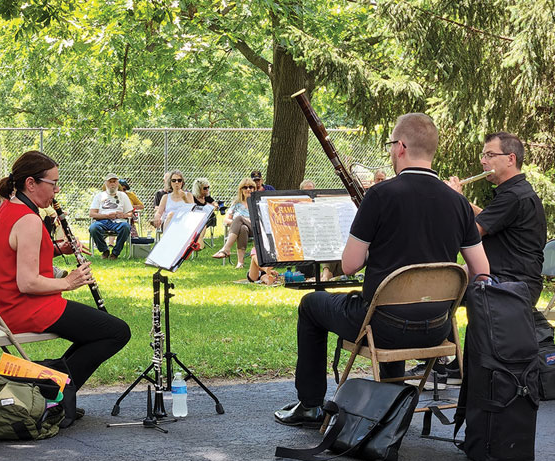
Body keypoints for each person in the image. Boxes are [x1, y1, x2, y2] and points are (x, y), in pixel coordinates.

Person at [274, 112, 490, 427]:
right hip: (438, 327)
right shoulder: (458, 203)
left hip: (382, 327)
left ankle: (310, 405)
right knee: (393, 305)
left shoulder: (380, 195)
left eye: (391, 145)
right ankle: (390, 402)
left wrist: (380, 244)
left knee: (311, 304)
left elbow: (349, 265)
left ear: (400, 147)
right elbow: (481, 271)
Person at [0, 151, 130, 424]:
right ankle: (53, 394)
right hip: (28, 307)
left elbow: (15, 256)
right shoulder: (29, 220)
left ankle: (55, 389)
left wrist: (55, 250)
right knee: (116, 331)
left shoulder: (6, 210)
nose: (57, 189)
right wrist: (68, 282)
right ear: (31, 183)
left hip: (8, 305)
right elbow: (27, 282)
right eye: (52, 183)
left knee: (97, 330)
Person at [448, 131, 550, 345]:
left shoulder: (513, 196)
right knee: (449, 282)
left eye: (490, 155)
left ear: (510, 159)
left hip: (509, 283)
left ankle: (444, 364)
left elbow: (471, 234)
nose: (483, 161)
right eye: (483, 155)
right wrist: (463, 201)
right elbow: (488, 217)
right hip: (513, 279)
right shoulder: (516, 192)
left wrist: (455, 200)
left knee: (440, 291)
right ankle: (455, 367)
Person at [212, 177, 256, 268]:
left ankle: (226, 248)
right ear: (241, 190)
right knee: (242, 228)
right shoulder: (236, 203)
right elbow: (226, 220)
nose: (248, 189)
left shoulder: (257, 202)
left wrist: (240, 220)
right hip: (242, 229)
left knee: (239, 218)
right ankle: (240, 263)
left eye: (251, 187)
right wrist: (237, 223)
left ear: (254, 189)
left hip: (254, 228)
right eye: (245, 187)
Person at [89, 173, 134, 259]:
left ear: (118, 184)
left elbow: (130, 214)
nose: (112, 184)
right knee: (93, 228)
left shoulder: (123, 196)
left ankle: (115, 253)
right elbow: (92, 214)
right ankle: (104, 250)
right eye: (110, 182)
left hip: (119, 221)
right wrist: (106, 216)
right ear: (106, 183)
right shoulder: (99, 196)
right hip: (102, 221)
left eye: (114, 181)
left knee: (126, 227)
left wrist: (123, 215)